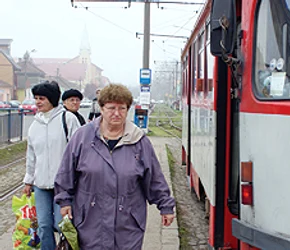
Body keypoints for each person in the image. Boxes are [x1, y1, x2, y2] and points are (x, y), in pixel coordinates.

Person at [54, 84, 176, 249]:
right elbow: (66, 172)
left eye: (122, 108)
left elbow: (154, 177)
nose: (117, 113)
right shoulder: (82, 138)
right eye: (111, 108)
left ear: (128, 110)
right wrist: (64, 201)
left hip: (127, 222)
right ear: (101, 108)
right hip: (90, 219)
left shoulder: (139, 141)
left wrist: (165, 206)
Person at [22, 81, 81, 250]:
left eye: (42, 98)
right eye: (36, 98)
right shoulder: (34, 126)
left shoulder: (68, 119)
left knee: (61, 224)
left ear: (53, 99)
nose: (38, 102)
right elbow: (31, 156)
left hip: (63, 184)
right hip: (41, 185)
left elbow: (78, 150)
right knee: (44, 225)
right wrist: (28, 181)